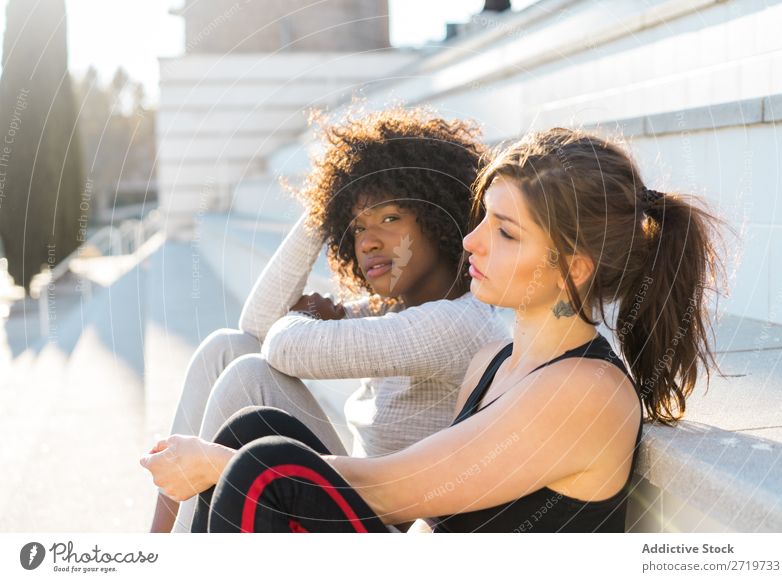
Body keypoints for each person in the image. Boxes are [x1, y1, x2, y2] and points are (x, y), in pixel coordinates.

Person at [142, 126, 726, 533]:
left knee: (258, 466)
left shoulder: (587, 393)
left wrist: (220, 466)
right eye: (482, 221)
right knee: (256, 427)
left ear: (571, 268)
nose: (472, 240)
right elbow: (426, 523)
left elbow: (397, 489)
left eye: (506, 232)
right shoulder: (492, 363)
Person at [145, 107, 511, 532]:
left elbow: (282, 345)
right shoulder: (390, 309)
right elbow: (257, 326)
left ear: (439, 217)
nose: (369, 242)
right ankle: (159, 550)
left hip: (395, 531)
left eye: (390, 218)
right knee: (227, 348)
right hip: (358, 502)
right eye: (354, 228)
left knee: (247, 372)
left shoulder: (457, 324)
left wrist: (302, 318)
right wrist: (326, 203)